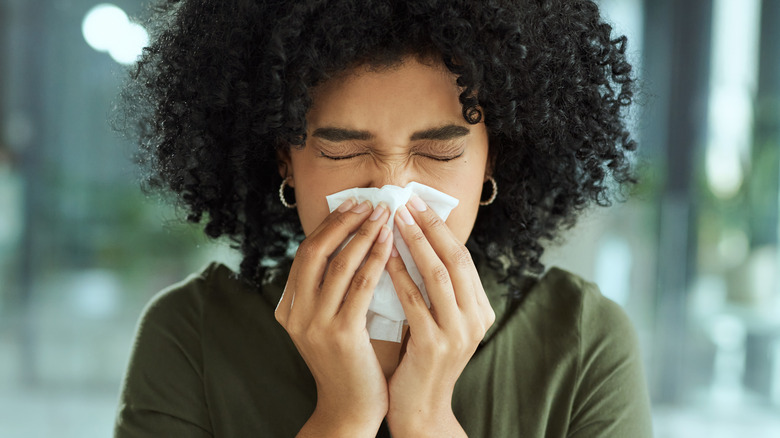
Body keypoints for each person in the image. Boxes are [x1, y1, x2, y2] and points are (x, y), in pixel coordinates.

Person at [113, 0, 652, 436]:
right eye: (343, 151)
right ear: (286, 161)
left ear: (494, 158)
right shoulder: (191, 335)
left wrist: (428, 421)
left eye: (439, 152)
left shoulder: (582, 343)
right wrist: (343, 417)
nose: (391, 190)